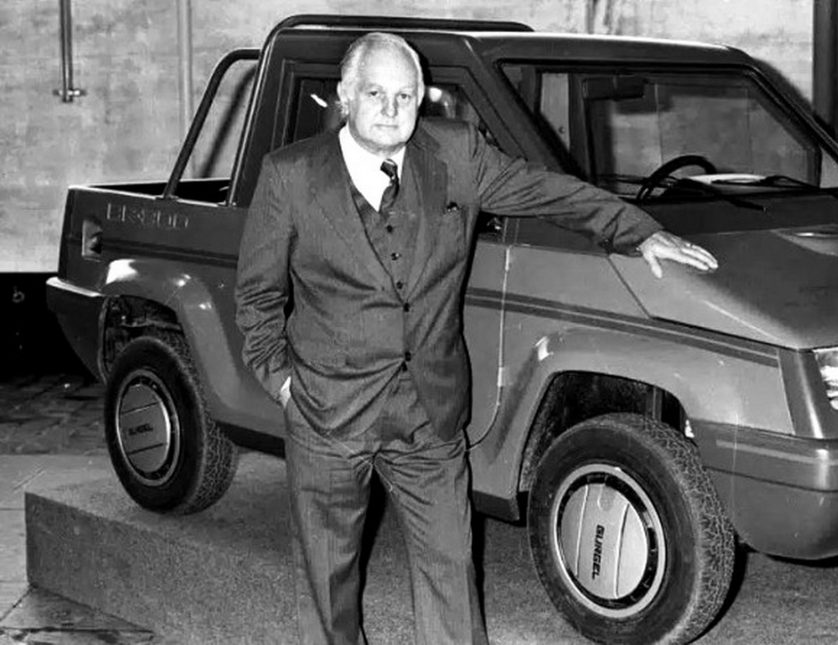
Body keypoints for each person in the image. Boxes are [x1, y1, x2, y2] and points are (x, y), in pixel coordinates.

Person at [234, 31, 718, 645]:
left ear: (422, 99)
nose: (391, 109)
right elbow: (256, 297)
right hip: (328, 412)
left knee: (451, 573)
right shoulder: (290, 176)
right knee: (328, 583)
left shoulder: (456, 153)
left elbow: (548, 191)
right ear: (345, 97)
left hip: (428, 411)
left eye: (405, 95)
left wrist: (637, 230)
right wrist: (283, 384)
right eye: (376, 94)